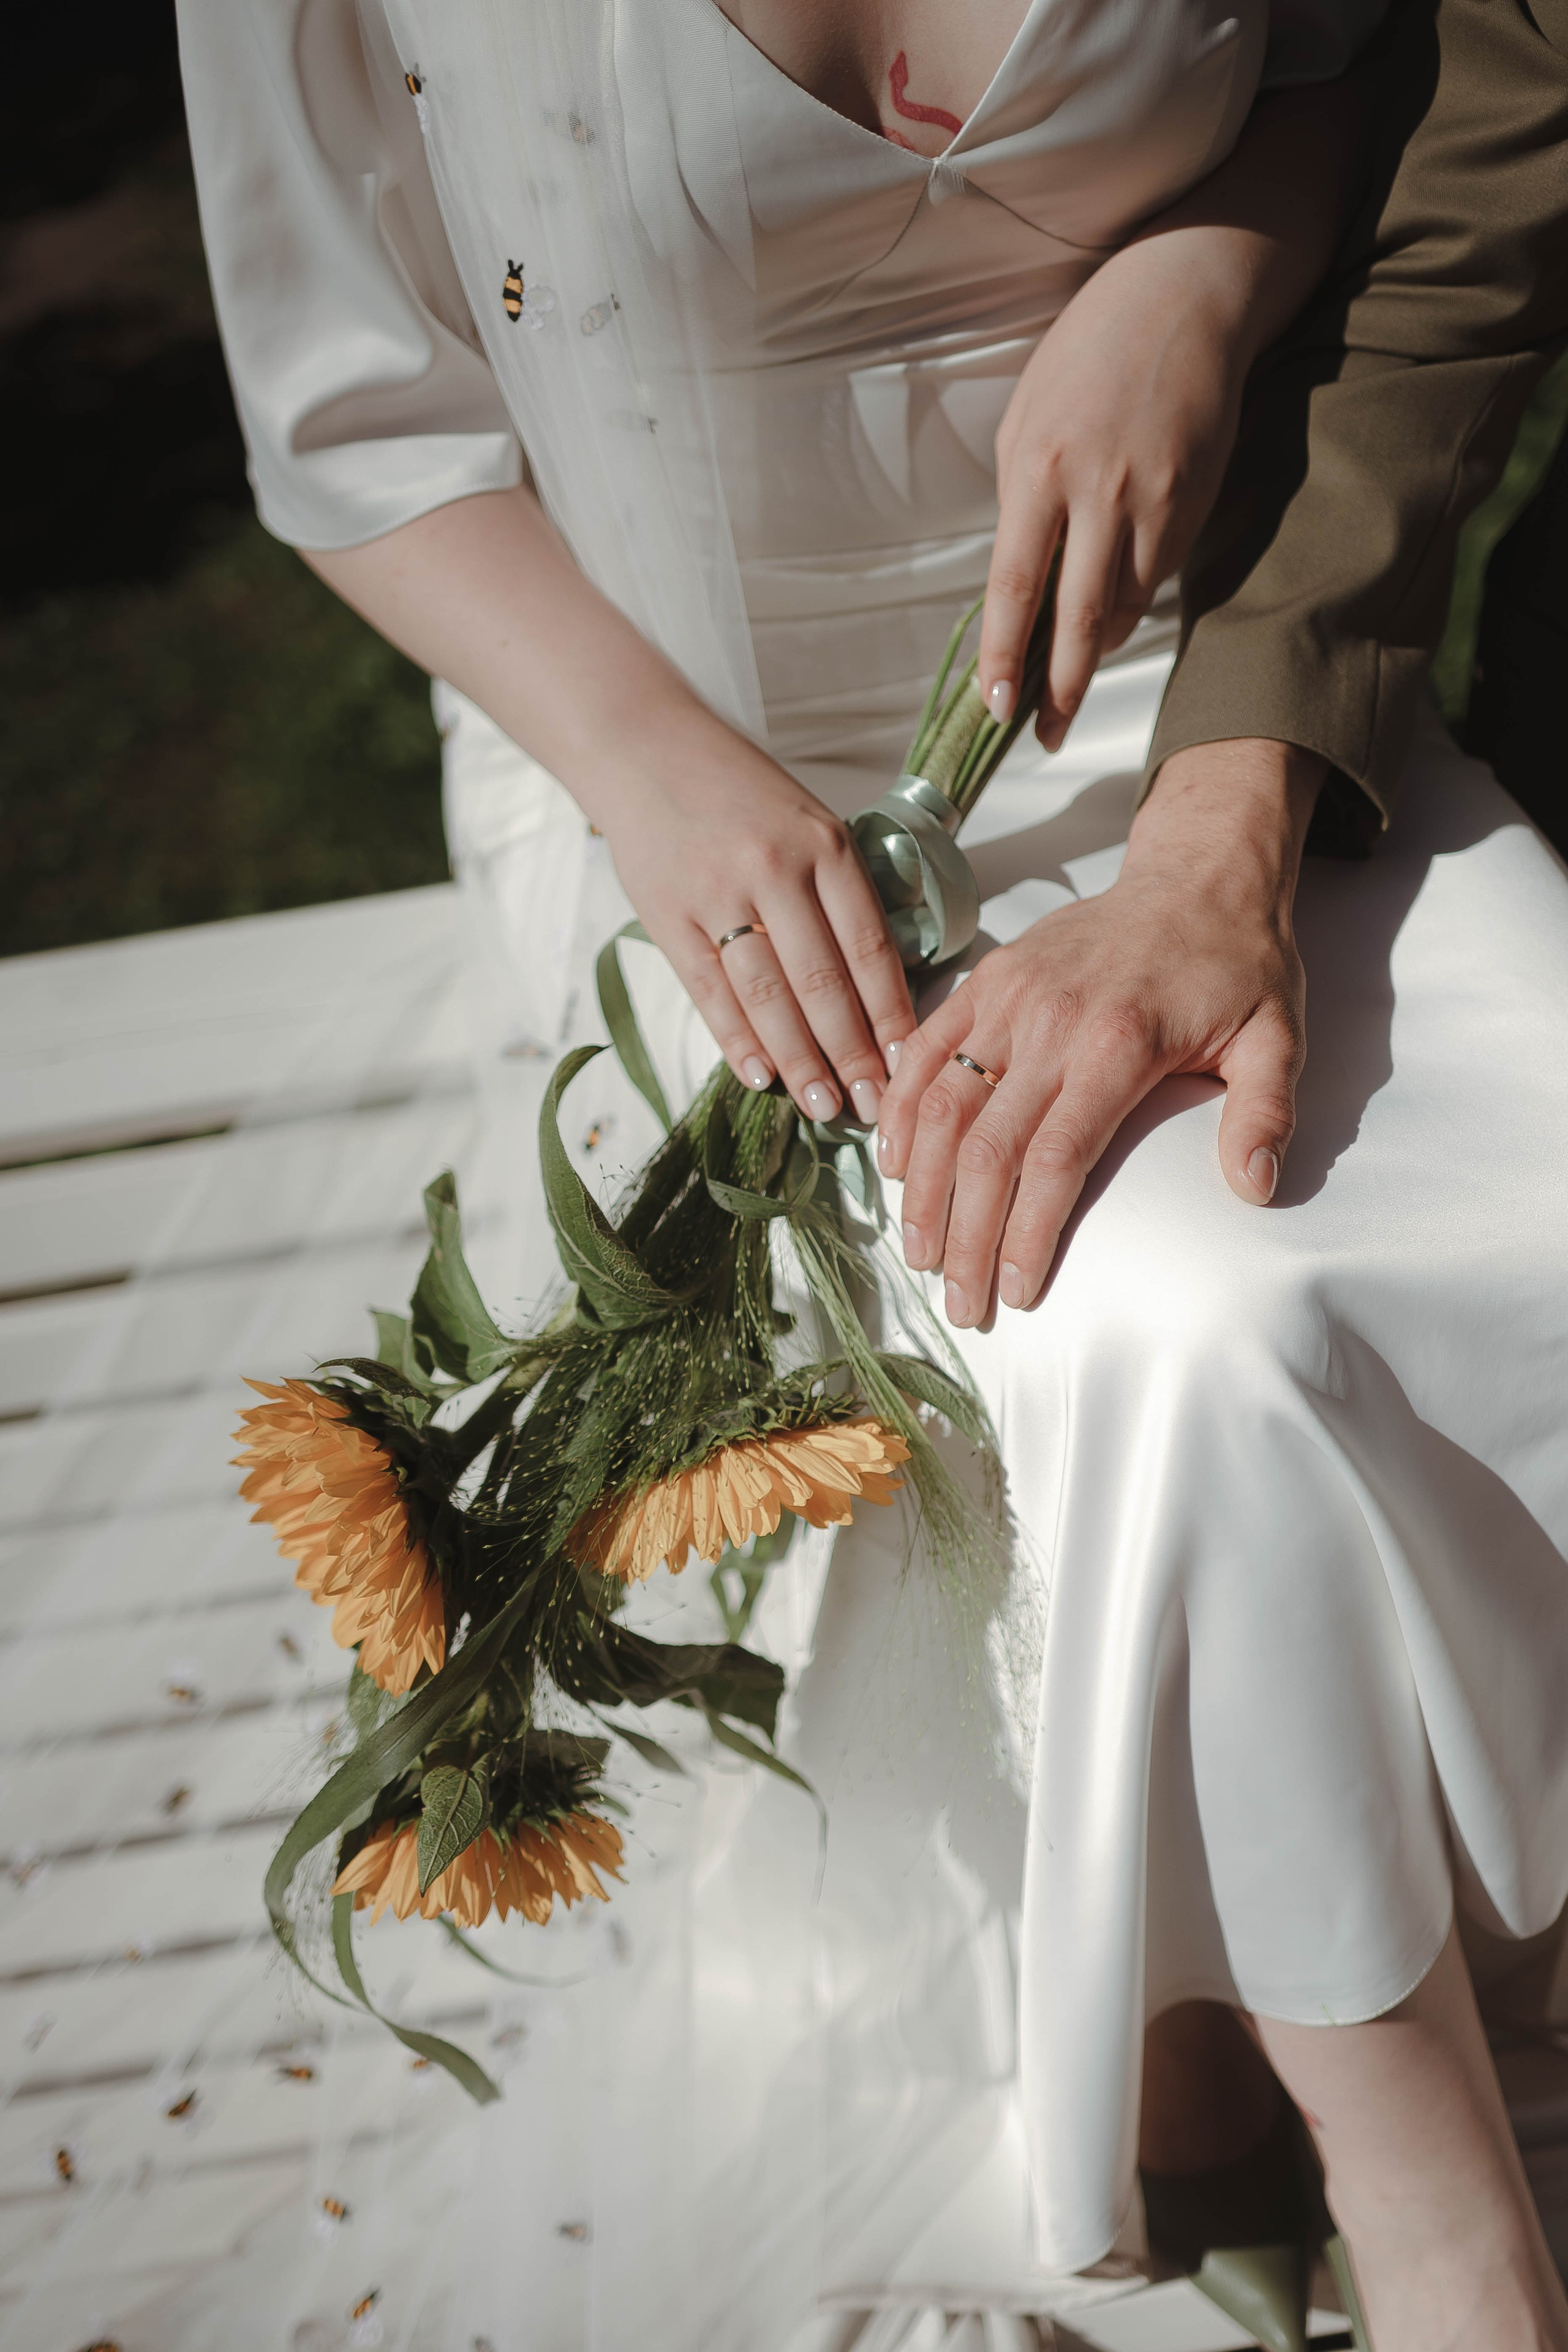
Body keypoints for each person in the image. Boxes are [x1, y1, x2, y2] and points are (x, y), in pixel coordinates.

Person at [177, 0, 1568, 2345]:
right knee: (1176, 1317)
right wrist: (653, 773)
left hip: (1216, 670)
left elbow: (1372, 65)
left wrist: (1209, 264)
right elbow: (346, 406)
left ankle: (1232, 2053)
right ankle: (1429, 2203)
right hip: (714, 790)